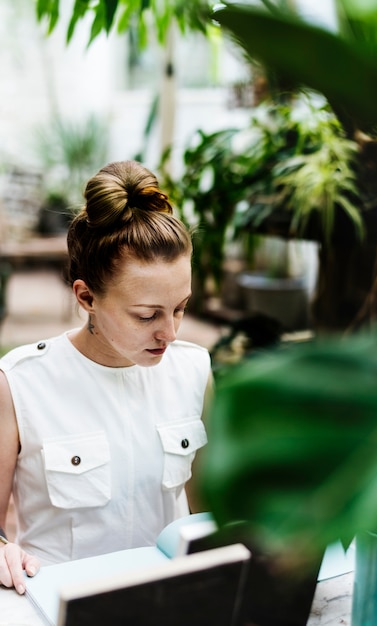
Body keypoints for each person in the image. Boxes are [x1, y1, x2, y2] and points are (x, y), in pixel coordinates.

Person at [0, 160, 212, 594]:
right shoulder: (20, 383)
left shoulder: (194, 370)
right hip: (60, 604)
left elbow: (210, 519)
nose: (169, 333)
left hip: (170, 604)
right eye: (146, 314)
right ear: (86, 296)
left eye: (180, 308)